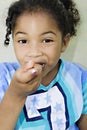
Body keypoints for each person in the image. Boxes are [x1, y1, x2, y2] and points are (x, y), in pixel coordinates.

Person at [0, 0, 87, 129]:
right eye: (23, 41)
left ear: (64, 42)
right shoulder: (4, 77)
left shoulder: (79, 77)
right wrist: (15, 93)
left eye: (47, 40)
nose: (34, 52)